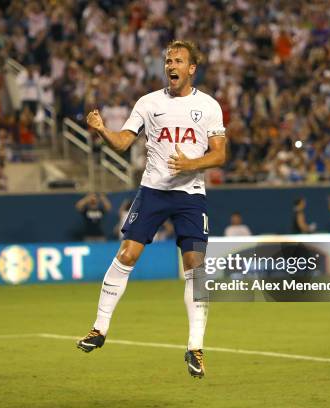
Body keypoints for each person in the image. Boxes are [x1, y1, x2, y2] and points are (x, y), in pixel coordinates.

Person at [77, 40, 226, 379]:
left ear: (192, 68)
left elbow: (219, 155)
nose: (171, 65)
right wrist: (102, 130)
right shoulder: (148, 103)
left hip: (190, 194)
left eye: (178, 60)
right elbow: (122, 143)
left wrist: (192, 164)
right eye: (168, 60)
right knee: (127, 254)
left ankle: (195, 348)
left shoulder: (209, 106)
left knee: (195, 265)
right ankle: (99, 329)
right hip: (153, 191)